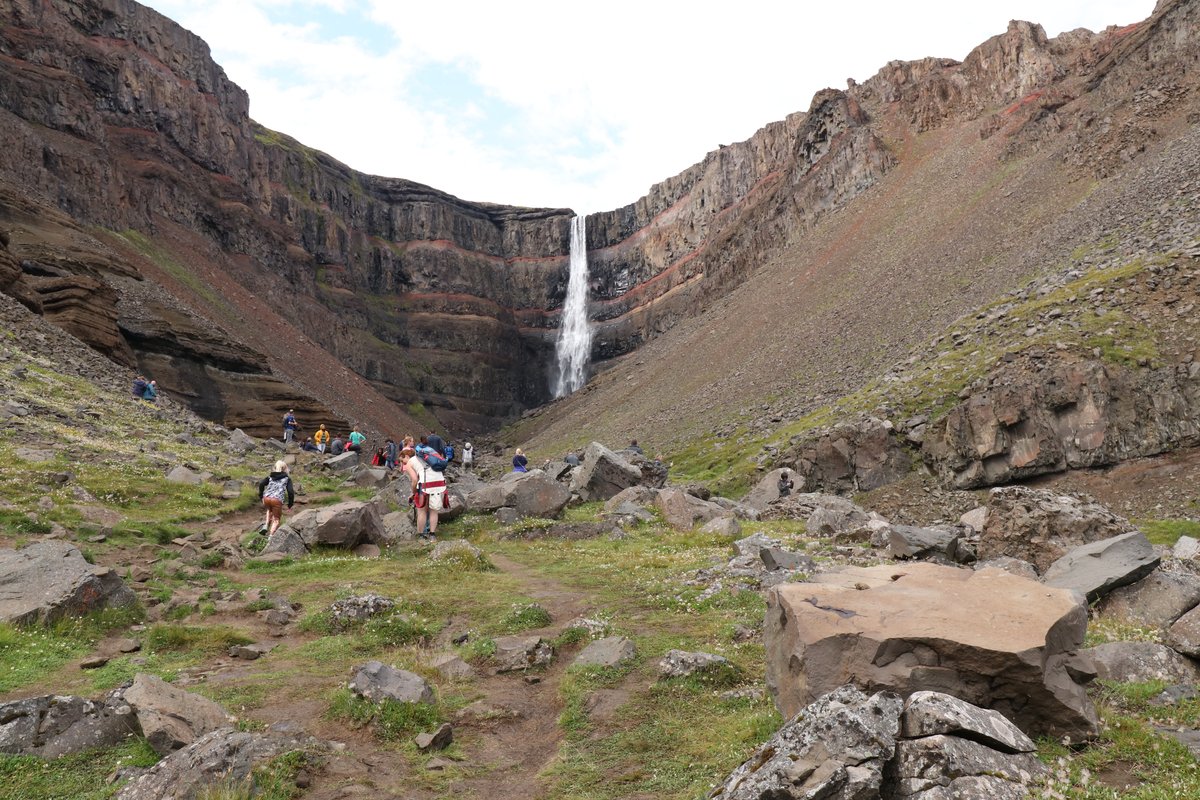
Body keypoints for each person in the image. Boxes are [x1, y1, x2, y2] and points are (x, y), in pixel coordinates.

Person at [403, 447, 446, 542]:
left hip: (426, 484)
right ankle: (432, 536)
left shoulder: (410, 462)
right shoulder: (430, 457)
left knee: (422, 511)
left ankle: (421, 536)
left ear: (406, 456)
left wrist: (414, 493)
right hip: (439, 482)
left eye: (403, 461)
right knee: (433, 510)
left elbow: (414, 481)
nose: (404, 464)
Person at [257, 460, 294, 536]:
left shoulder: (270, 476)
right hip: (277, 499)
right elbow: (290, 492)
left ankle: (266, 525)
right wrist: (290, 504)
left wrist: (261, 496)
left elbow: (261, 484)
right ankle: (271, 536)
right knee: (276, 519)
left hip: (266, 498)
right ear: (285, 469)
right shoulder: (287, 479)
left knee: (269, 510)